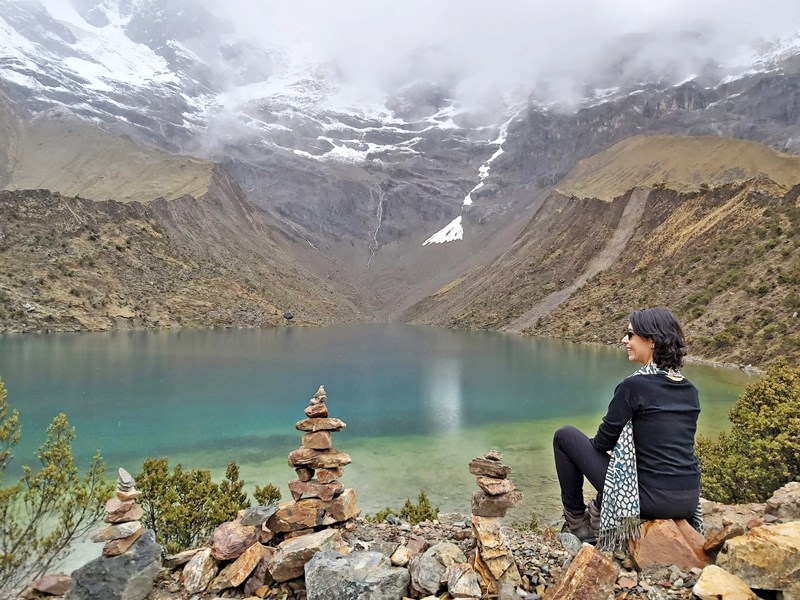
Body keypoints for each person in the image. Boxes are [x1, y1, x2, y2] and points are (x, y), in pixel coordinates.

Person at [552, 307, 702, 548]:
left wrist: (614, 453)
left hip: (651, 501)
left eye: (630, 335)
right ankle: (598, 509)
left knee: (565, 437)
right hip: (688, 500)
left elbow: (602, 443)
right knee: (617, 461)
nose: (625, 340)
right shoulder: (689, 390)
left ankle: (578, 524)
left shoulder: (634, 386)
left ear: (651, 341)